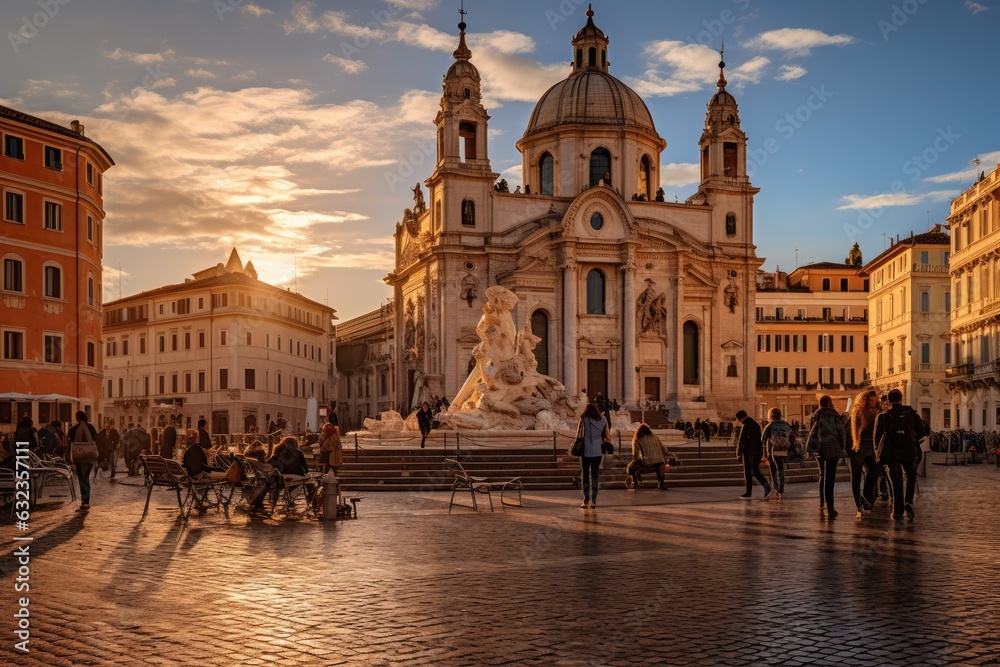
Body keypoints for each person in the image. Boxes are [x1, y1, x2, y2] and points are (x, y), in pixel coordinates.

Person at [873, 389, 921, 521]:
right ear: (901, 399)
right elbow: (921, 432)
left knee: (896, 481)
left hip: (892, 453)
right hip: (910, 451)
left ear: (888, 401)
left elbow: (877, 438)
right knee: (911, 477)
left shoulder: (883, 416)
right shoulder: (911, 413)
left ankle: (898, 510)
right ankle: (908, 501)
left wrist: (878, 454)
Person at [807, 395, 847, 518]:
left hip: (819, 447)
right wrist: (842, 447)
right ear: (830, 403)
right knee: (830, 478)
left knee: (822, 475)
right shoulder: (835, 415)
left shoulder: (816, 415)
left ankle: (821, 503)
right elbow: (841, 432)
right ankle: (831, 509)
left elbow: (811, 430)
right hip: (833, 448)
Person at [849, 389, 883, 517]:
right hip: (859, 447)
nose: (874, 403)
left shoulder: (877, 412)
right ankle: (858, 502)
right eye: (872, 401)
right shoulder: (858, 412)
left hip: (871, 447)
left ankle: (866, 498)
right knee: (856, 477)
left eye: (875, 401)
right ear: (865, 401)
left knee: (874, 471)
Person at [66, 411, 99, 512]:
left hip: (79, 457)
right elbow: (96, 439)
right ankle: (85, 501)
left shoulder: (73, 429)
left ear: (77, 418)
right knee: (86, 478)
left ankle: (85, 502)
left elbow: (70, 439)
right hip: (89, 456)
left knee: (82, 479)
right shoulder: (91, 427)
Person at [578, 403, 609, 509]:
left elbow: (578, 434)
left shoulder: (584, 419)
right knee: (595, 476)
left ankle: (586, 500)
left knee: (585, 475)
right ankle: (594, 501)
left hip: (586, 450)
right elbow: (607, 435)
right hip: (597, 450)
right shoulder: (604, 419)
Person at [736, 410, 772, 500]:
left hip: (750, 453)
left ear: (740, 418)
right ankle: (757, 490)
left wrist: (740, 451)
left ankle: (763, 489)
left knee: (751, 472)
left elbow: (745, 441)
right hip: (754, 452)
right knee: (754, 472)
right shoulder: (753, 423)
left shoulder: (747, 425)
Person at [626, 423, 671, 490]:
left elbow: (635, 453)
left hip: (647, 462)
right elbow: (663, 448)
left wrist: (636, 460)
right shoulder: (655, 437)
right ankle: (661, 483)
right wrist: (668, 453)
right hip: (659, 461)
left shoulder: (638, 438)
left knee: (630, 467)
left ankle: (635, 481)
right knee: (661, 464)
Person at [761, 408, 793, 498]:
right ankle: (781, 488)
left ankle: (775, 487)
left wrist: (764, 452)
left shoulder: (770, 425)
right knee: (780, 468)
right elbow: (792, 436)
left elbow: (763, 438)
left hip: (772, 450)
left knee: (773, 469)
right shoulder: (786, 424)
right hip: (783, 449)